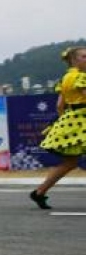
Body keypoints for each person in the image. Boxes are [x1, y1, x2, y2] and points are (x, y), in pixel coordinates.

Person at [30, 46, 86, 210]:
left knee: (70, 163)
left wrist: (67, 121)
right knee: (69, 162)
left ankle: (39, 192)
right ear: (73, 60)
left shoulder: (66, 78)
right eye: (84, 56)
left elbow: (60, 105)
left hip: (72, 121)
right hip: (81, 121)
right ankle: (39, 192)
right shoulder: (81, 77)